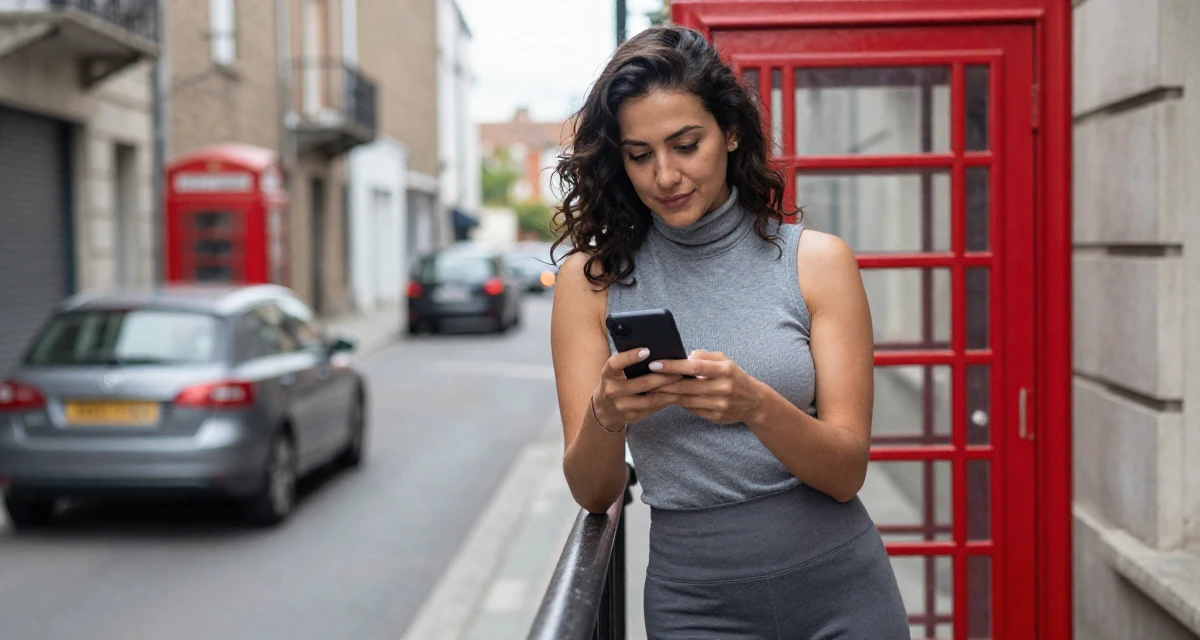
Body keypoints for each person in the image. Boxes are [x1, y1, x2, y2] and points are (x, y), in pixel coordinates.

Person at [549, 25, 910, 639]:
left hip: (840, 589)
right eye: (640, 155)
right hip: (694, 605)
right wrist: (606, 414)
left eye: (686, 144)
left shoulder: (817, 262)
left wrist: (755, 404)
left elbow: (847, 471)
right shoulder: (590, 282)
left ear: (731, 131)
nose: (665, 175)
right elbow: (592, 492)